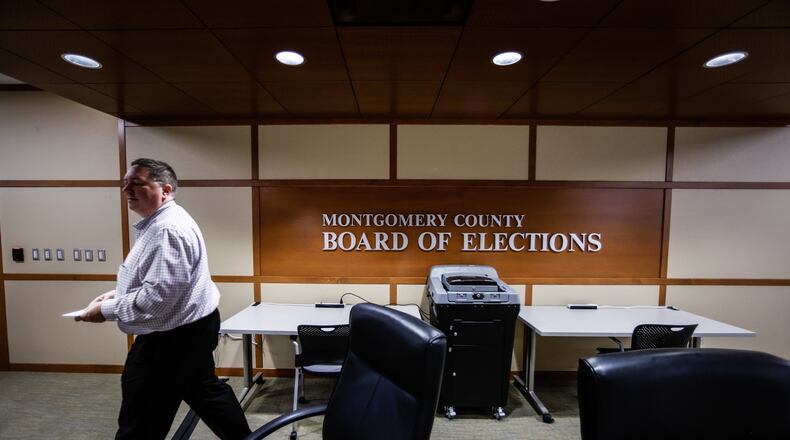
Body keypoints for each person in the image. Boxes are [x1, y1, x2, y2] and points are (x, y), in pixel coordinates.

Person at [76, 158, 251, 440]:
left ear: (165, 190)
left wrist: (106, 310)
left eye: (137, 184)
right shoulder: (160, 222)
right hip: (188, 326)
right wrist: (119, 294)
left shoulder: (168, 229)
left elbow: (159, 297)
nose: (127, 190)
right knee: (204, 390)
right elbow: (160, 280)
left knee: (143, 407)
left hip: (173, 335)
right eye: (125, 184)